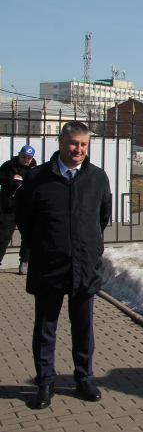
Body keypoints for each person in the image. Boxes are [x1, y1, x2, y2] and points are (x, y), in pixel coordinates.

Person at [16, 122, 112, 410]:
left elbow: (102, 217)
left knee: (83, 327)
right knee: (46, 327)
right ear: (60, 142)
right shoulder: (37, 177)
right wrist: (45, 243)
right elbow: (25, 219)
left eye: (83, 144)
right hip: (49, 265)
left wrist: (90, 246)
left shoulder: (97, 177)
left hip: (84, 266)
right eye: (73, 143)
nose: (78, 149)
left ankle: (83, 378)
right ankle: (45, 381)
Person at [0, 145, 37, 274]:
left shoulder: (34, 169)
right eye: (23, 157)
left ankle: (24, 262)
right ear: (19, 155)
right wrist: (11, 180)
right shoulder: (8, 165)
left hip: (26, 207)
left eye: (28, 158)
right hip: (9, 206)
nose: (26, 160)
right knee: (4, 235)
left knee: (27, 236)